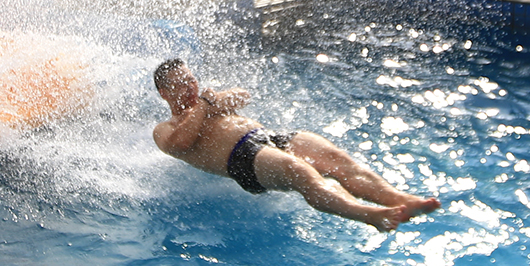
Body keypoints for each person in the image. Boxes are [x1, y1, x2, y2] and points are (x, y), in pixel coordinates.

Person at [151, 59, 440, 232]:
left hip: (268, 136)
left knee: (337, 159)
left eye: (191, 80)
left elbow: (241, 96)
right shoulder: (166, 128)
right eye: (180, 84)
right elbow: (181, 142)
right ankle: (371, 216)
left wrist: (210, 102)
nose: (190, 88)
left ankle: (398, 199)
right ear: (164, 93)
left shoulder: (210, 101)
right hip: (242, 159)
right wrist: (204, 105)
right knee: (299, 171)